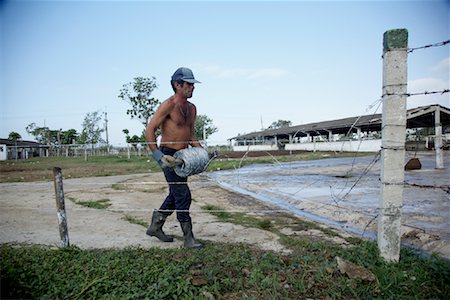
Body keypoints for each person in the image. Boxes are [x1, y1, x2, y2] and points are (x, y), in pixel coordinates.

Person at [145, 67, 203, 249]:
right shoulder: (168, 105)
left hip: (184, 157)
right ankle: (188, 238)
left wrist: (202, 153)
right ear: (177, 85)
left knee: (175, 194)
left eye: (193, 84)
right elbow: (150, 129)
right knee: (183, 194)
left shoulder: (192, 108)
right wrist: (158, 156)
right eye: (188, 84)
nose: (192, 88)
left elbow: (190, 134)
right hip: (168, 155)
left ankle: (156, 226)